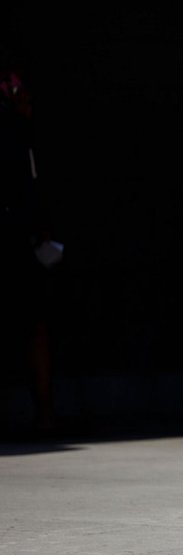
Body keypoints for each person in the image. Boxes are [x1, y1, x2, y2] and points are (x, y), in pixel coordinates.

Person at [0, 49, 60, 435]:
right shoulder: (14, 135)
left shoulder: (27, 135)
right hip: (14, 240)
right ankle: (43, 412)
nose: (27, 101)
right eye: (19, 93)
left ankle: (44, 411)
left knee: (34, 325)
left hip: (24, 240)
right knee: (31, 326)